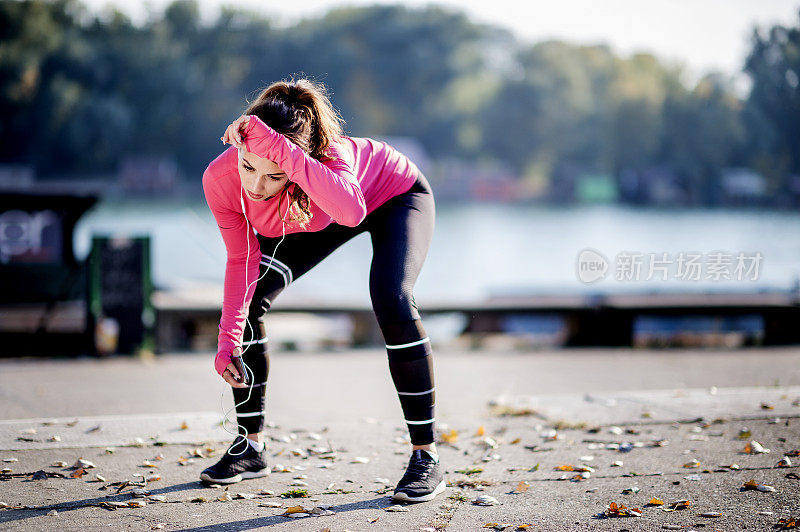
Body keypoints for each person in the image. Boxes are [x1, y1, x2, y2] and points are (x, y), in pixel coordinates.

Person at [199, 77, 444, 502]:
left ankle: (427, 457)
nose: (256, 187)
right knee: (253, 299)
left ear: (297, 159)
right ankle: (250, 448)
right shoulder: (220, 179)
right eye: (248, 166)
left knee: (391, 297)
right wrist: (226, 338)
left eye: (273, 174)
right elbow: (241, 260)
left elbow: (350, 211)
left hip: (396, 197)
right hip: (318, 209)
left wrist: (284, 155)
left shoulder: (333, 157)